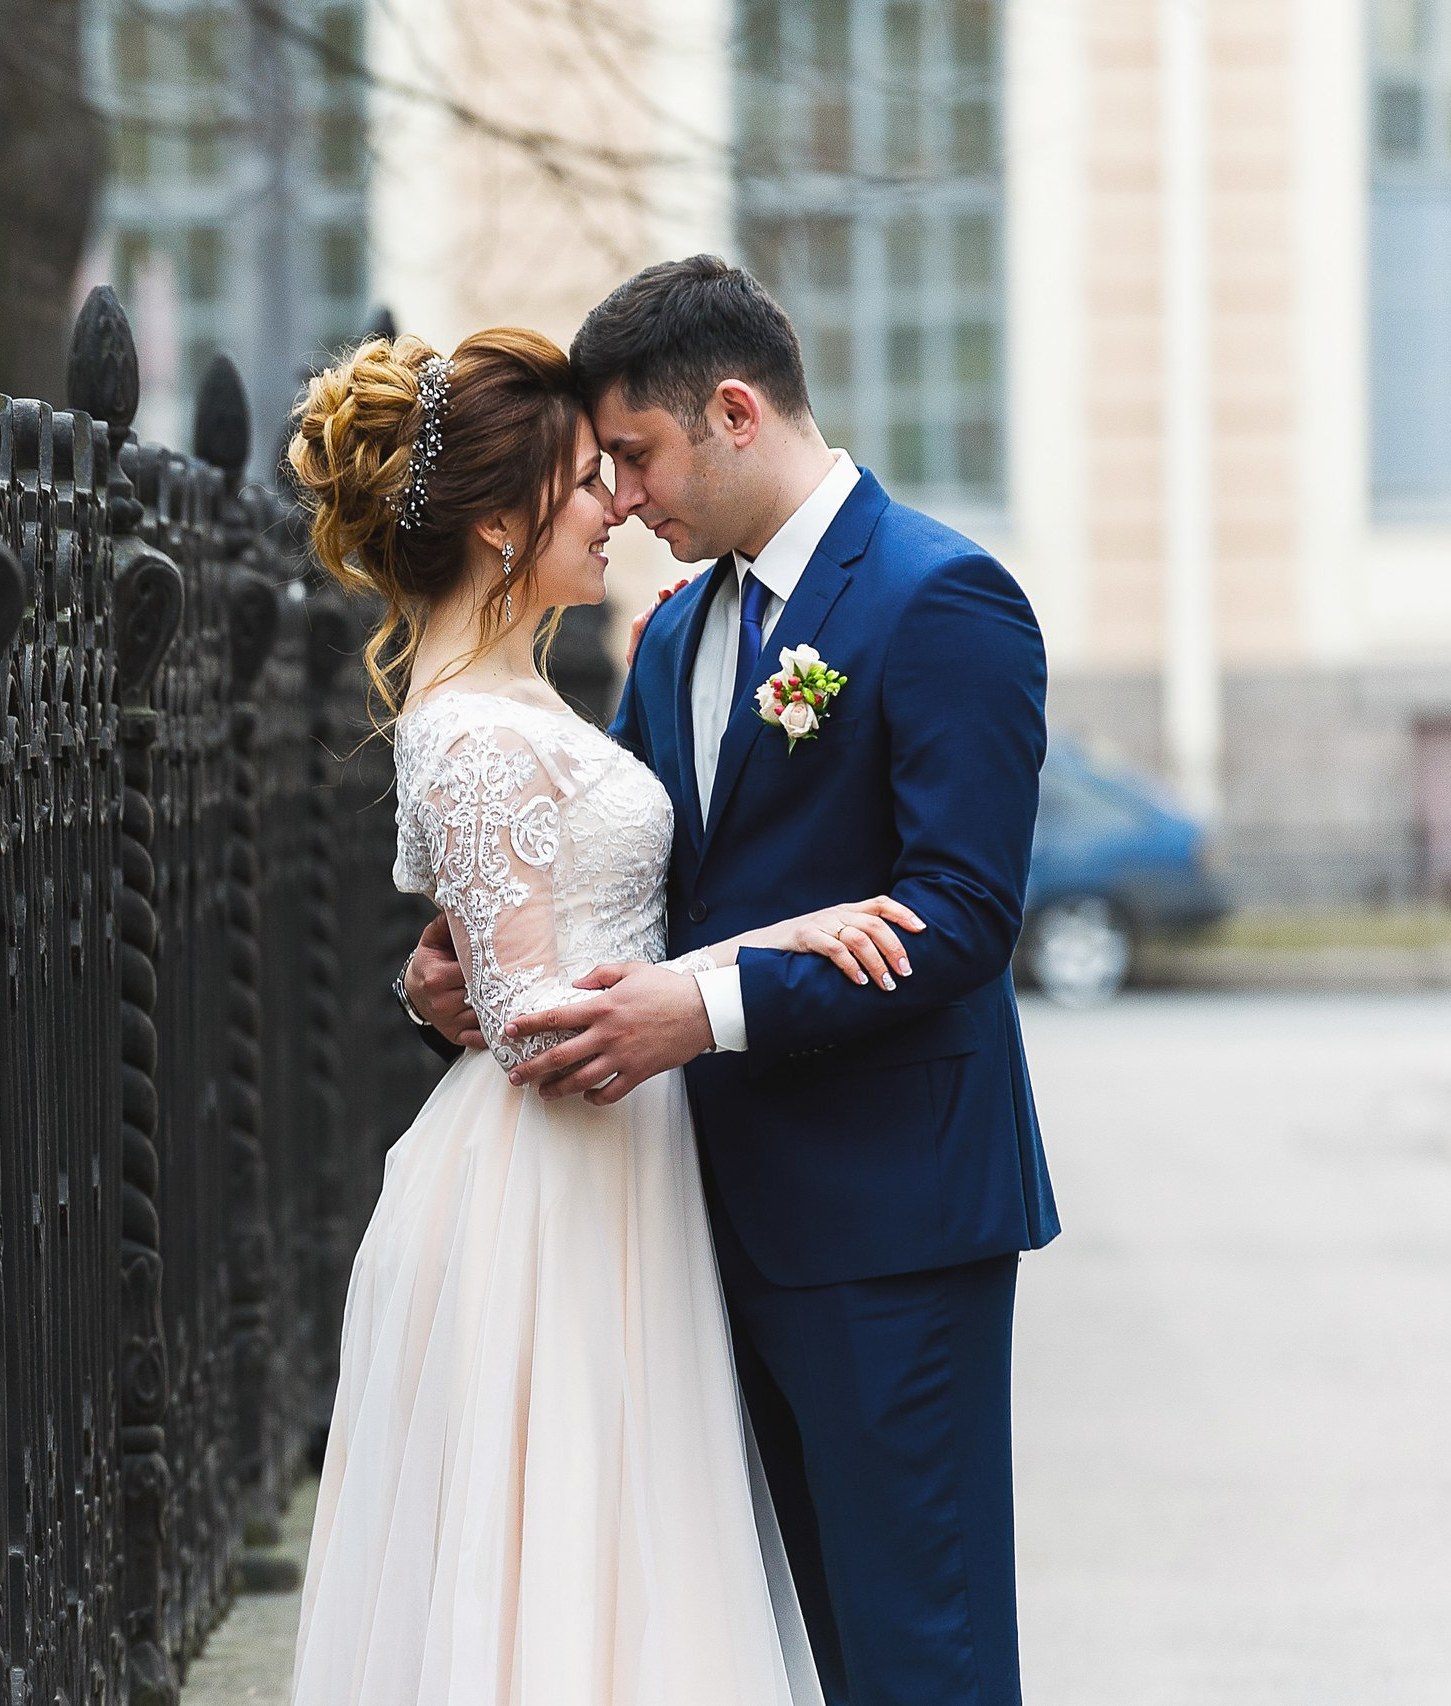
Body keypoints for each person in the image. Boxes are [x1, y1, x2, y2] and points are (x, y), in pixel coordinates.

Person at [398, 260, 1059, 1706]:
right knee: (792, 1649)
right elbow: (637, 891)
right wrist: (470, 981)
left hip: (889, 1223)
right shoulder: (680, 633)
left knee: (925, 1656)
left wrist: (701, 1009)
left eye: (635, 454)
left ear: (738, 412)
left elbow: (962, 913)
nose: (622, 497)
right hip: (694, 1224)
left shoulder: (942, 598)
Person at [286, 321, 932, 1705]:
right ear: (500, 520)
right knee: (560, 1554)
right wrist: (782, 940)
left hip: (625, 1168)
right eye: (588, 480)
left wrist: (448, 973)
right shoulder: (470, 729)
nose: (616, 505)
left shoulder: (531, 695)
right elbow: (534, 1023)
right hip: (551, 1197)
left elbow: (546, 936)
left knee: (625, 1558)